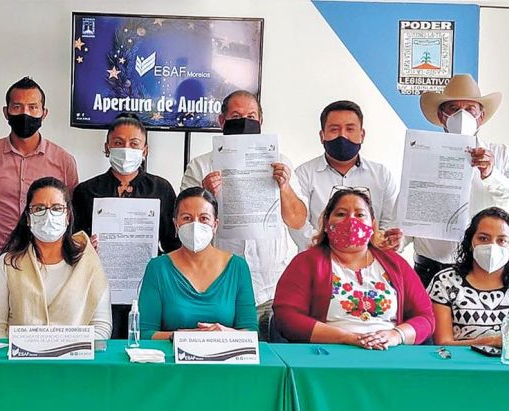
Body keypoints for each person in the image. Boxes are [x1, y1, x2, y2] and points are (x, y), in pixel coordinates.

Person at [180, 90, 306, 341]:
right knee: (227, 355)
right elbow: (184, 226)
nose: (245, 122)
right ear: (222, 121)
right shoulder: (200, 165)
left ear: (261, 121)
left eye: (251, 116)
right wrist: (205, 193)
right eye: (236, 116)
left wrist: (284, 187)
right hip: (221, 287)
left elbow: (298, 220)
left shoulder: (280, 162)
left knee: (272, 357)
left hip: (271, 289)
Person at [0, 77, 79, 336]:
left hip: (47, 265)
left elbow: (71, 215)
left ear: (44, 113)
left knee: (42, 337)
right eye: (17, 107)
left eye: (33, 107)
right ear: (6, 112)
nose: (25, 113)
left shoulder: (63, 161)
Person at [273, 187, 434, 349]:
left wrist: (396, 335)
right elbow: (286, 317)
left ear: (372, 225)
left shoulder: (396, 264)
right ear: (326, 223)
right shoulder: (306, 262)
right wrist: (346, 337)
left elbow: (425, 318)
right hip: (330, 352)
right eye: (341, 214)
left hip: (389, 352)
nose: (351, 221)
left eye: (360, 215)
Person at [72, 113, 180, 338]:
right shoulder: (86, 190)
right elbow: (72, 242)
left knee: (143, 343)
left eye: (134, 144)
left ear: (145, 150)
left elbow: (173, 244)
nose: (126, 149)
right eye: (118, 143)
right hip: (100, 285)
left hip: (147, 285)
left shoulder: (161, 189)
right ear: (107, 147)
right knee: (102, 344)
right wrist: (85, 245)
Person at [413, 74, 509, 287]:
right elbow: (409, 206)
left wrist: (491, 174)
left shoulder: (501, 155)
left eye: (470, 109)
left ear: (481, 117)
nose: (462, 115)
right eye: (453, 109)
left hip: (485, 270)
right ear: (442, 116)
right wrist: (397, 240)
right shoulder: (422, 153)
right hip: (431, 268)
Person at [0, 177, 111, 339]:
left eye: (56, 208)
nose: (48, 215)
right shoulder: (8, 264)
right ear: (28, 217)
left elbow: (102, 326)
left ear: (67, 216)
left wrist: (73, 350)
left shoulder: (88, 263)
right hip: (18, 355)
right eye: (39, 208)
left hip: (75, 355)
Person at [139, 187, 258, 340]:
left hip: (225, 354)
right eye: (187, 218)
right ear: (176, 224)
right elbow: (145, 333)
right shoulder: (158, 268)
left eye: (204, 218)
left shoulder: (238, 268)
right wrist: (184, 337)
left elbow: (251, 332)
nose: (195, 225)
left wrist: (224, 334)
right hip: (172, 354)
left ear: (215, 225)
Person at [292, 100, 401, 251]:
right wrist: (324, 249)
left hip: (371, 259)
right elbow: (298, 224)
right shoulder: (303, 174)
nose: (342, 136)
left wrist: (375, 246)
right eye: (334, 129)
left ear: (362, 135)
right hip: (319, 258)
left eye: (350, 129)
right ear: (322, 135)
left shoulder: (382, 175)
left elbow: (389, 222)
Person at [428, 207, 509, 346]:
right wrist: (491, 341)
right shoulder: (445, 282)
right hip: (460, 360)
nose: (492, 246)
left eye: (502, 240)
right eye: (483, 238)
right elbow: (443, 343)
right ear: (470, 242)